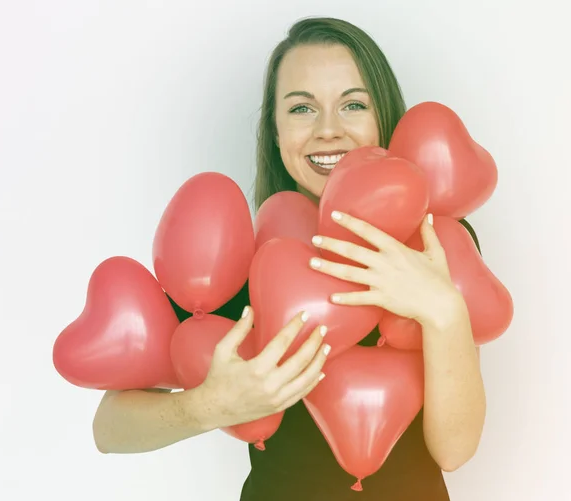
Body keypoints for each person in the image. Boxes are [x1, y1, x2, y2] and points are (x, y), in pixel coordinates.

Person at [92, 16, 486, 500]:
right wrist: (207, 407)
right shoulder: (231, 257)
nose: (328, 130)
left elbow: (454, 451)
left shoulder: (434, 243)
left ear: (384, 118)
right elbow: (108, 431)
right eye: (302, 108)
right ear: (276, 133)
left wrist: (444, 311)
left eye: (353, 104)